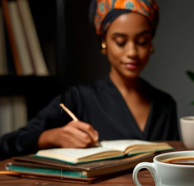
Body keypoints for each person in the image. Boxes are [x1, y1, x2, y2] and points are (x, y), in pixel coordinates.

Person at [0, 0, 179, 160]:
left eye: (141, 41)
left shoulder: (165, 104)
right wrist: (54, 136)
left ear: (151, 43)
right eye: (120, 41)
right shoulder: (78, 98)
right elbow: (8, 143)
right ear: (104, 42)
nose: (132, 52)